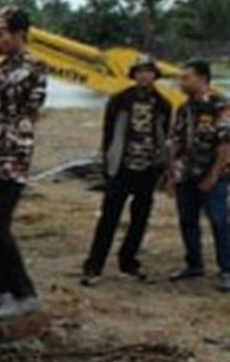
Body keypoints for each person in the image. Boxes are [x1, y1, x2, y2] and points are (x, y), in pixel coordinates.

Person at [0, 6, 48, 320]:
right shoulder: (4, 66)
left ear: (20, 35)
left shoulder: (33, 66)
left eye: (1, 35)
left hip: (10, 158)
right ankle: (0, 291)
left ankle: (25, 293)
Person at [81, 54, 173, 286]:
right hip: (121, 167)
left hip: (148, 168)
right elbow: (108, 133)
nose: (144, 76)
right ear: (133, 75)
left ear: (155, 75)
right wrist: (106, 160)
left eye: (148, 71)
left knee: (139, 219)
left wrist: (163, 165)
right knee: (109, 218)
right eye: (139, 71)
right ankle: (94, 266)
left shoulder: (163, 104)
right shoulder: (119, 101)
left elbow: (164, 134)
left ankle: (128, 262)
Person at [166, 59, 230, 292]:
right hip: (186, 174)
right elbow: (176, 140)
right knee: (187, 221)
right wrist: (171, 174)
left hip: (213, 174)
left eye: (186, 77)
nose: (181, 82)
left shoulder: (220, 105)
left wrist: (214, 175)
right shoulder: (184, 108)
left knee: (219, 221)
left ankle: (226, 270)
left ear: (202, 78)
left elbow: (225, 145)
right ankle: (194, 264)